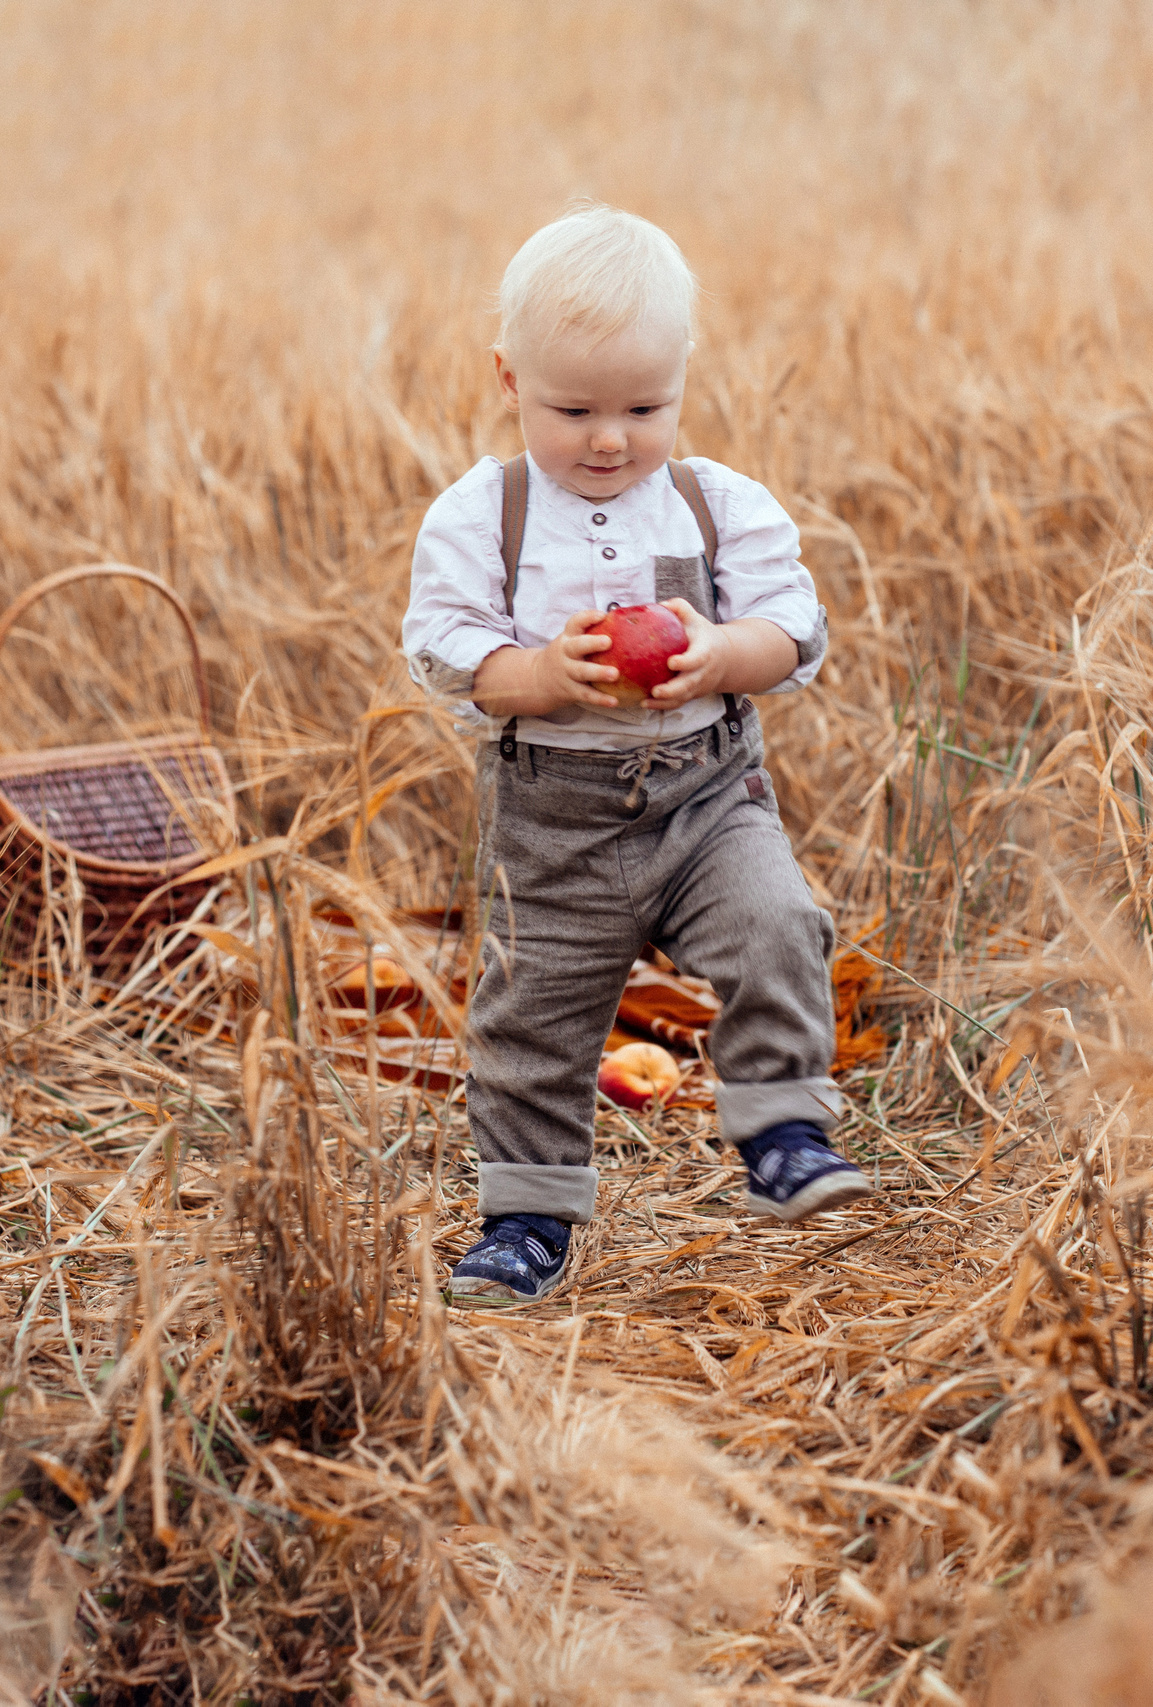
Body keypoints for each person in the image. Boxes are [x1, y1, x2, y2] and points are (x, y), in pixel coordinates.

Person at [403, 204, 871, 1306]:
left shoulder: (717, 505)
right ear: (509, 379)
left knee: (778, 923)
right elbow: (444, 646)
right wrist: (540, 673)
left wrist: (722, 653)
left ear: (682, 378)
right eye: (574, 410)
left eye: (643, 408)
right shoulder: (487, 513)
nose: (609, 439)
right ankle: (527, 1217)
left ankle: (782, 1131)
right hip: (555, 826)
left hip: (708, 800)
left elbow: (793, 628)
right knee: (531, 1019)